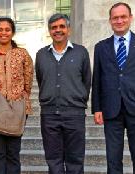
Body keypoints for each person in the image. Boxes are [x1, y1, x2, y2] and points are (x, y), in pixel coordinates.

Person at [35, 13, 91, 174]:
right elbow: (41, 80)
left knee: (75, 160)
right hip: (49, 115)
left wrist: (77, 101)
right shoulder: (41, 54)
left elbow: (86, 81)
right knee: (53, 160)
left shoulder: (81, 52)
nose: (57, 30)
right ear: (49, 31)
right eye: (54, 27)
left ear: (68, 29)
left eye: (61, 27)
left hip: (75, 114)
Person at [92, 2, 135, 174]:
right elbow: (97, 79)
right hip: (111, 109)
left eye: (123, 17)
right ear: (110, 21)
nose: (119, 21)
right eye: (115, 18)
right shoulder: (100, 47)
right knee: (113, 160)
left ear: (130, 18)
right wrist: (97, 108)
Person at [0, 17, 33, 174]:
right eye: (0, 29)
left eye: (7, 29)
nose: (3, 32)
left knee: (13, 155)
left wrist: (18, 97)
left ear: (13, 32)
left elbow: (28, 81)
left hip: (17, 109)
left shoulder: (22, 54)